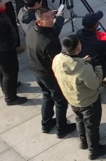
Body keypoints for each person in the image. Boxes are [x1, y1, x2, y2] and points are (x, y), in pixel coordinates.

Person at [54, 35, 106, 159]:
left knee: (79, 119)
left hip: (72, 99)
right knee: (91, 126)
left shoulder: (57, 59)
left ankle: (83, 141)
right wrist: (98, 67)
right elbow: (95, 84)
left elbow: (71, 67)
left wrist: (82, 61)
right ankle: (94, 150)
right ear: (79, 48)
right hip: (89, 102)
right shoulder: (84, 68)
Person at [27, 7, 76, 136]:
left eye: (51, 16)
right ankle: (61, 128)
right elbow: (57, 63)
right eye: (47, 18)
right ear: (39, 21)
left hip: (37, 70)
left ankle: (46, 123)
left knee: (47, 96)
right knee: (60, 100)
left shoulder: (32, 27)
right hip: (48, 73)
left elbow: (54, 30)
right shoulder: (48, 42)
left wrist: (59, 18)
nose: (51, 20)